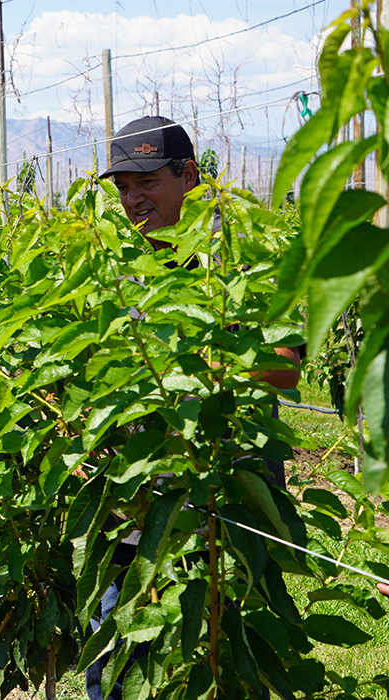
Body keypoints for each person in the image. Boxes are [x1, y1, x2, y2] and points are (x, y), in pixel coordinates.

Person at [90, 117, 301, 700]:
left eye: (146, 183)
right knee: (113, 668)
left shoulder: (239, 256)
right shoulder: (122, 270)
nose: (132, 201)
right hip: (136, 513)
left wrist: (201, 362)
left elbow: (284, 364)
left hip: (224, 511)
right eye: (122, 189)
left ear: (188, 175)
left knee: (218, 658)